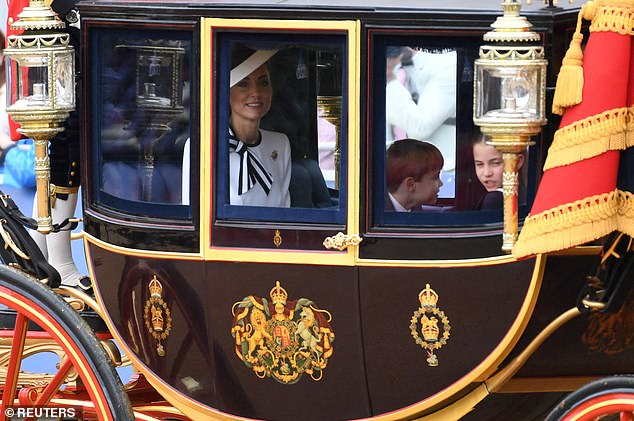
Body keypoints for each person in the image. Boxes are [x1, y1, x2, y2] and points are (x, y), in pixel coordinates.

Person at [228, 45, 291, 207]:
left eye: (263, 83)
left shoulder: (280, 144)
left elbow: (284, 211)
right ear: (226, 92)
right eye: (243, 83)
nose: (256, 92)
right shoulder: (203, 147)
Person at [385, 48, 457, 183]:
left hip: (443, 177)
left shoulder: (446, 66)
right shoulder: (386, 71)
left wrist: (389, 78)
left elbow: (421, 127)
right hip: (399, 174)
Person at [385, 138, 444, 212]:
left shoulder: (415, 208)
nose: (441, 184)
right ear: (411, 184)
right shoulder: (373, 214)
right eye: (435, 177)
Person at [472, 134, 524, 210]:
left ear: (517, 161)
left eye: (495, 163)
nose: (487, 173)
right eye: (479, 164)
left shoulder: (494, 199)